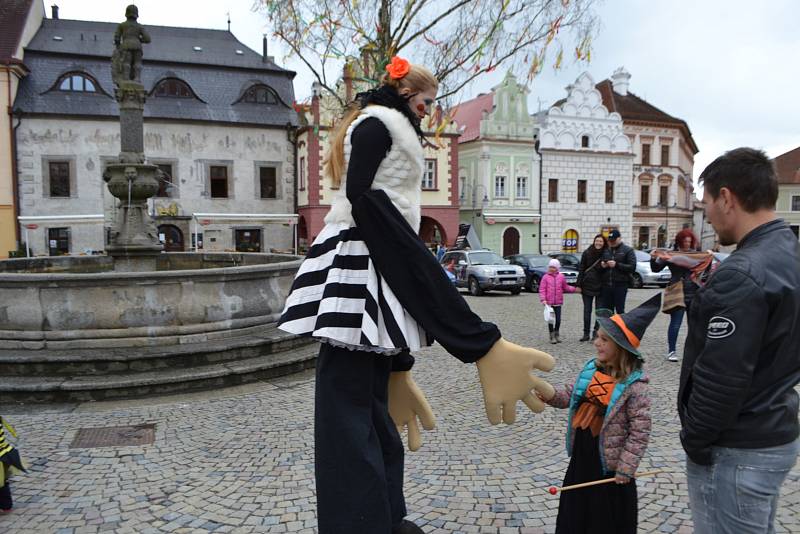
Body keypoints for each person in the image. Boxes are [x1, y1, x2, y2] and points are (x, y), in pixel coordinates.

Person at [277, 57, 555, 534]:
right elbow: (384, 233)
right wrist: (477, 342)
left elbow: (397, 277)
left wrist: (397, 368)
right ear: (406, 97)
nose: (430, 112)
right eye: (425, 102)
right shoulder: (378, 131)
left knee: (365, 417)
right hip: (357, 264)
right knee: (346, 426)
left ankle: (383, 519)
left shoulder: (384, 139)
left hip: (369, 262)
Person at [679, 147, 800, 534]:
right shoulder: (789, 253)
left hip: (737, 447)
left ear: (727, 198)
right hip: (773, 431)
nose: (707, 214)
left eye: (708, 202)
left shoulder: (743, 272)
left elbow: (721, 380)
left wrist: (694, 442)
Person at [541, 294, 659, 534]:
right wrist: (546, 392)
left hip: (610, 468)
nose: (597, 343)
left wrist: (626, 466)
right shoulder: (590, 370)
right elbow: (568, 397)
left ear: (621, 347)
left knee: (604, 520)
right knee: (576, 514)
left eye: (604, 339)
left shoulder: (635, 386)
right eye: (597, 337)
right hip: (582, 459)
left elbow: (640, 432)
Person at [650, 228, 701, 362]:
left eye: (689, 242)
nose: (687, 244)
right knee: (676, 323)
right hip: (677, 290)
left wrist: (708, 256)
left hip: (693, 291)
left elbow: (704, 268)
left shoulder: (695, 255)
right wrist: (653, 258)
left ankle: (693, 352)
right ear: (680, 241)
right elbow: (655, 268)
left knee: (693, 324)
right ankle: (671, 351)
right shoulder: (670, 255)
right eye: (685, 242)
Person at [539, 258, 580, 344]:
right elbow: (542, 289)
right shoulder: (545, 277)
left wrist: (574, 289)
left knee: (558, 320)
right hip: (549, 303)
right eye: (550, 267)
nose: (551, 269)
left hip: (558, 303)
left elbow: (565, 287)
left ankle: (557, 333)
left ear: (557, 268)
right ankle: (551, 335)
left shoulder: (561, 277)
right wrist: (543, 299)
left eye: (553, 267)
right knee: (551, 320)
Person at [599, 229, 637, 314]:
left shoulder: (628, 250)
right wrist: (602, 265)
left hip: (620, 285)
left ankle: (620, 327)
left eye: (614, 240)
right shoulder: (606, 250)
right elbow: (600, 264)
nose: (612, 242)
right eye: (610, 240)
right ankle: (609, 327)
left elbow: (632, 267)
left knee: (620, 310)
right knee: (607, 311)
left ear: (619, 238)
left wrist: (617, 265)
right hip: (606, 285)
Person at [577, 234, 607, 342]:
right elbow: (581, 269)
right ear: (594, 241)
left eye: (601, 241)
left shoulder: (606, 253)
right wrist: (578, 285)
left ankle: (596, 333)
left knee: (599, 312)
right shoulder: (587, 252)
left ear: (604, 243)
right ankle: (586, 333)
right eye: (597, 241)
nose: (598, 243)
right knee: (587, 311)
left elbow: (607, 271)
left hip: (601, 286)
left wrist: (603, 266)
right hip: (587, 285)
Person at [0, 416, 25, 513]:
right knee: (3, 482)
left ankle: (6, 505)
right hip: (5, 455)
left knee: (2, 483)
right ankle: (6, 505)